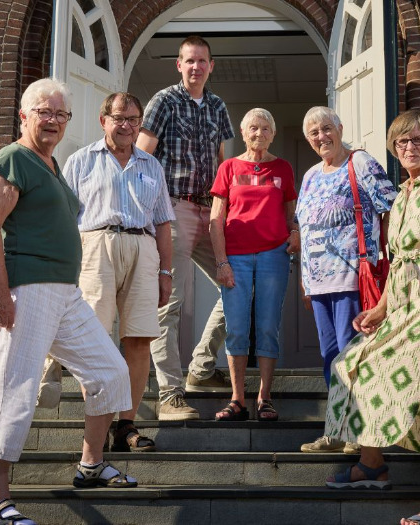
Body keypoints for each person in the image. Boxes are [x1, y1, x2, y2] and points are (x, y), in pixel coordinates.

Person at [0, 78, 137, 525]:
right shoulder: (14, 159)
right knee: (17, 388)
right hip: (27, 290)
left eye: (60, 114)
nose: (52, 120)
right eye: (43, 111)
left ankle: (89, 464)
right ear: (24, 115)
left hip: (67, 293)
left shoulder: (51, 164)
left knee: (110, 370)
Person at [323, 109, 420, 525]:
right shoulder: (403, 193)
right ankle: (372, 465)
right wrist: (381, 308)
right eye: (401, 142)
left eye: (417, 140)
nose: (409, 147)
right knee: (356, 362)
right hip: (405, 299)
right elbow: (400, 258)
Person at [62, 92, 175, 451]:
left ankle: (126, 426)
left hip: (143, 247)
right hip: (95, 246)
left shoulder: (151, 165)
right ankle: (99, 423)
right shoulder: (80, 161)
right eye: (119, 118)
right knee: (93, 339)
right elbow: (64, 219)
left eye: (133, 119)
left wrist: (166, 272)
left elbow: (163, 224)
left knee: (139, 339)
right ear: (103, 121)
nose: (126, 126)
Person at [137, 35, 236, 420]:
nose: (196, 67)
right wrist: (150, 212)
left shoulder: (217, 106)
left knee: (238, 283)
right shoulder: (164, 101)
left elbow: (222, 161)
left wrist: (226, 210)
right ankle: (169, 394)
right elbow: (143, 157)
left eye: (202, 61)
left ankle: (200, 367)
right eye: (189, 61)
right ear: (179, 65)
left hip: (210, 212)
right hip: (173, 210)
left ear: (212, 65)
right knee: (169, 304)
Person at [295, 106, 398, 453]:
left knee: (353, 357)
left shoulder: (360, 163)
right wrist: (305, 279)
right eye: (314, 133)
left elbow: (392, 205)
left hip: (352, 278)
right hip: (319, 283)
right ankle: (336, 430)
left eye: (326, 128)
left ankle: (359, 434)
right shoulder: (310, 175)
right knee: (330, 359)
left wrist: (389, 256)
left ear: (340, 127)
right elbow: (305, 231)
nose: (321, 137)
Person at [209, 108, 298, 422]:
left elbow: (291, 216)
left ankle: (264, 397)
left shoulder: (283, 169)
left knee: (267, 327)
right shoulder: (229, 168)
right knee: (236, 328)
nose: (258, 134)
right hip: (236, 258)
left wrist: (297, 233)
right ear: (243, 134)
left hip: (274, 256)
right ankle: (237, 399)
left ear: (272, 134)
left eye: (264, 129)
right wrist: (221, 263)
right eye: (252, 129)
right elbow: (216, 220)